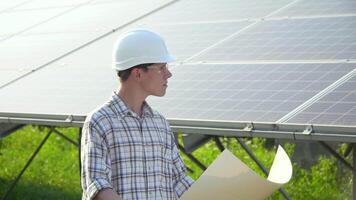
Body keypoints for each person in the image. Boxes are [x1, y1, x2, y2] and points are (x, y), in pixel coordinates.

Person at [80, 29, 194, 200]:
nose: (168, 74)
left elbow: (178, 180)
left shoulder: (160, 123)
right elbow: (97, 185)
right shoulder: (100, 121)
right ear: (138, 73)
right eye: (161, 67)